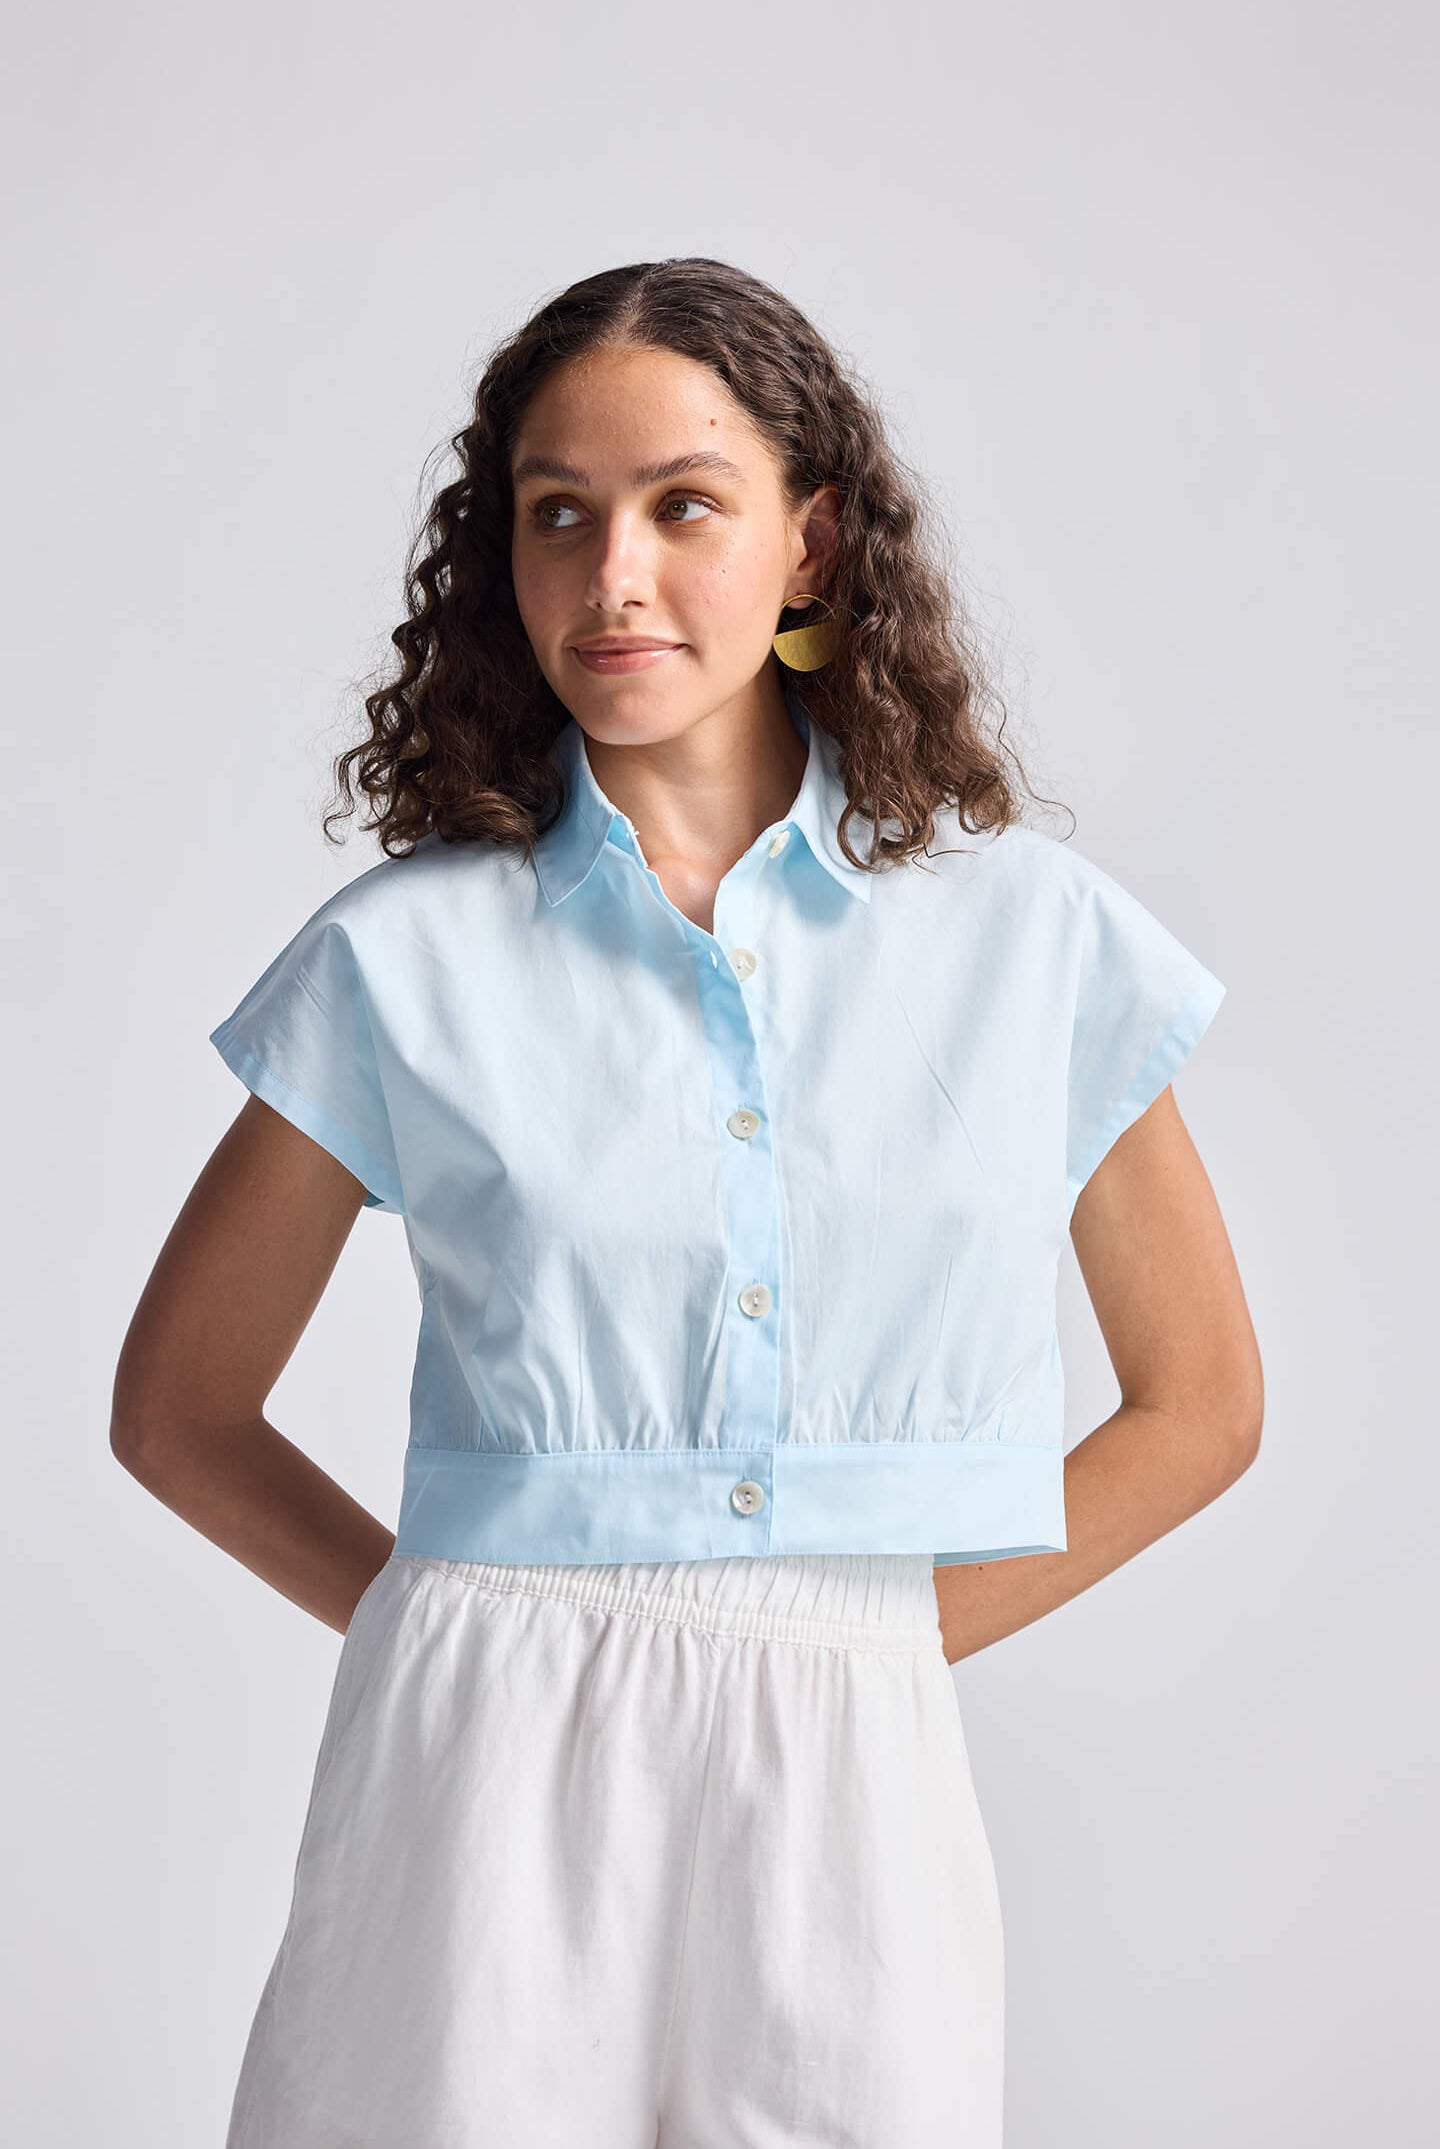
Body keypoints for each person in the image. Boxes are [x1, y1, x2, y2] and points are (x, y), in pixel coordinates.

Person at [110, 256, 1263, 2149]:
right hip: (478, 1753)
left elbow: (1203, 1401)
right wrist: (447, 1621)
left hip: (854, 1754)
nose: (613, 573)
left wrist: (873, 1635)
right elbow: (177, 1405)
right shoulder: (408, 958)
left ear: (812, 545)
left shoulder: (1028, 941)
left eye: (683, 505)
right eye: (557, 514)